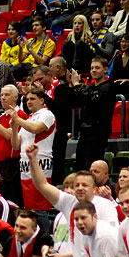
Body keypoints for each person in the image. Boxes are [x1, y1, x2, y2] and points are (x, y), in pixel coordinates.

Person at [28, 145, 118, 257]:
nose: (80, 188)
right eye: (77, 185)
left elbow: (112, 242)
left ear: (94, 189)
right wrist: (33, 159)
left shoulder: (105, 206)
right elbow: (42, 185)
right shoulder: (69, 202)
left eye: (85, 185)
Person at [9, 88, 55, 231]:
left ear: (42, 100)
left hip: (40, 162)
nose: (29, 102)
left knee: (39, 208)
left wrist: (18, 120)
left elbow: (36, 129)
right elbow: (15, 145)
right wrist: (14, 127)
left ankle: (46, 238)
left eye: (32, 99)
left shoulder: (47, 114)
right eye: (27, 99)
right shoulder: (28, 119)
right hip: (25, 165)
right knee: (30, 208)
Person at [69, 56, 115, 170]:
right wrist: (72, 86)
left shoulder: (109, 87)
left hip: (98, 133)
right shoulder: (89, 89)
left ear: (105, 69)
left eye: (97, 68)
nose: (93, 70)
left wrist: (77, 85)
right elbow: (76, 102)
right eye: (92, 68)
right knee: (80, 166)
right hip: (84, 133)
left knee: (93, 166)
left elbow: (93, 100)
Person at [0, 84, 27, 207]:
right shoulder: (1, 117)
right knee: (1, 199)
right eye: (1, 95)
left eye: (7, 95)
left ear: (16, 97)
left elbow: (9, 136)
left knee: (13, 200)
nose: (3, 98)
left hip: (12, 164)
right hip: (0, 164)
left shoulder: (20, 115)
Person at [48, 56, 75, 185]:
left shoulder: (62, 86)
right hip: (61, 127)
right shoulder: (61, 85)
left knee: (58, 160)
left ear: (58, 68)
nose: (49, 69)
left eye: (50, 66)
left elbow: (58, 109)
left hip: (63, 128)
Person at [49, 173, 76, 257]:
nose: (68, 190)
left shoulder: (83, 216)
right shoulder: (59, 216)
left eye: (72, 187)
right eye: (66, 187)